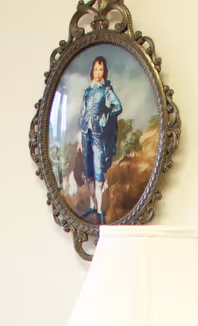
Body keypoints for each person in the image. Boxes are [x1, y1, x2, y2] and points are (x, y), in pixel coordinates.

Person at [78, 55, 123, 223]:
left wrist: (105, 115)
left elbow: (117, 107)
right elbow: (82, 112)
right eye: (96, 69)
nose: (98, 72)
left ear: (104, 71)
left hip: (98, 135)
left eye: (101, 69)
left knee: (98, 171)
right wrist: (79, 138)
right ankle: (92, 205)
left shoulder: (106, 90)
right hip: (85, 134)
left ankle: (100, 210)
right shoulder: (88, 91)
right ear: (92, 71)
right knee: (87, 171)